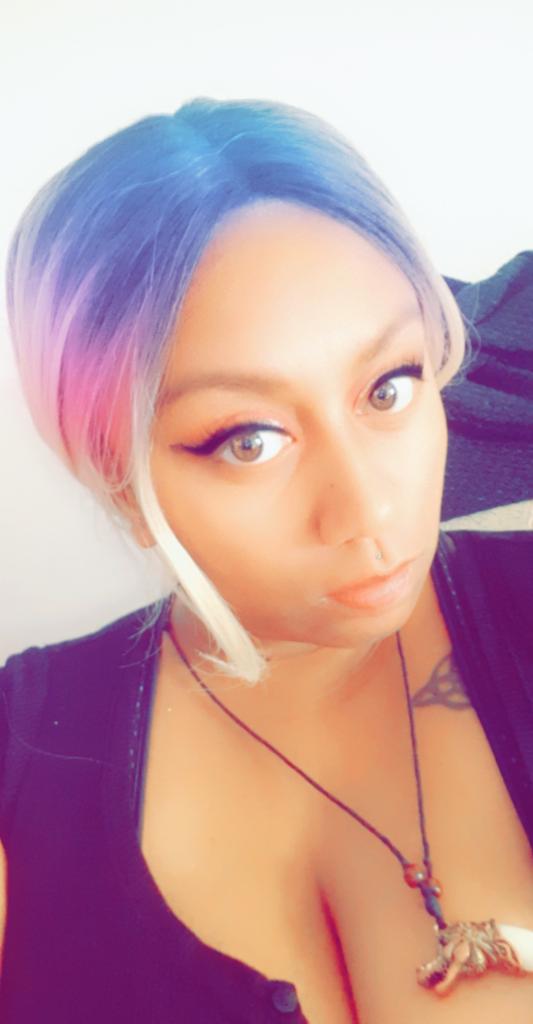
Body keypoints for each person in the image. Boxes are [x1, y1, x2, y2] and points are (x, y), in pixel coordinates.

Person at [0, 97, 532, 1024]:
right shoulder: (22, 764)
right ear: (118, 480)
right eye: (249, 439)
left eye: (389, 386)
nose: (367, 511)